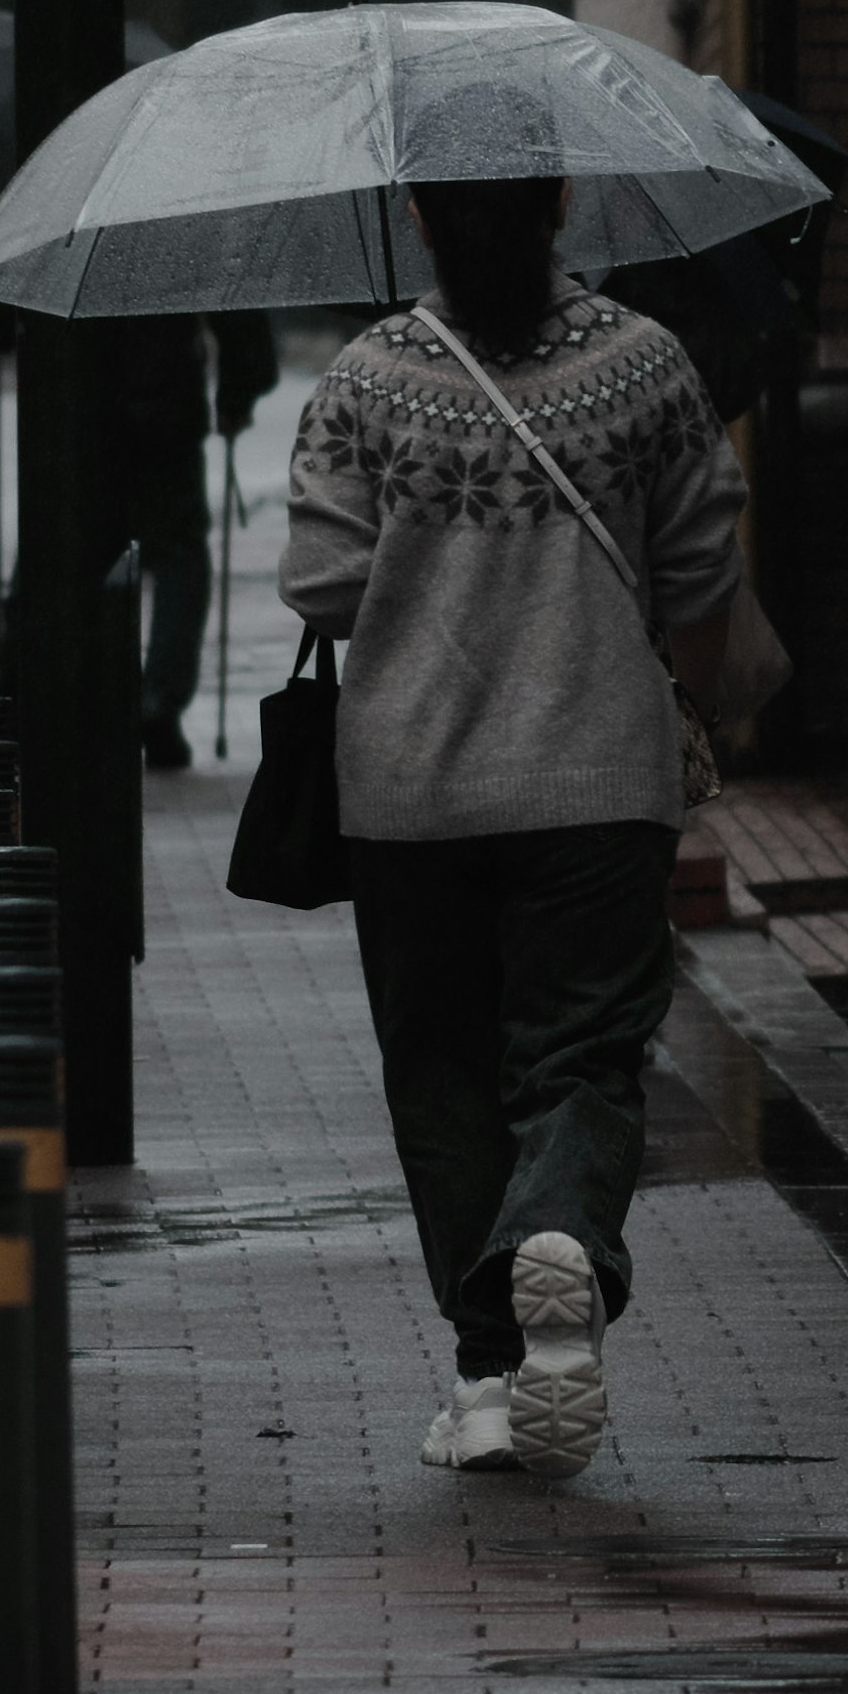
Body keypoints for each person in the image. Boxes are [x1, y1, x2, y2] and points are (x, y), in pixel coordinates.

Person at [276, 174, 748, 1483]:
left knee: (440, 1069)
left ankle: (490, 1378)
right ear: (564, 203)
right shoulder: (648, 368)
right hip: (600, 783)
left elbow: (318, 583)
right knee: (583, 1055)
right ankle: (560, 1241)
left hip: (410, 793)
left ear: (420, 217)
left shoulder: (370, 376)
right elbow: (708, 566)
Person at [119, 306, 278, 767]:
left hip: (77, 406)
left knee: (81, 553)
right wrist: (236, 395)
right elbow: (237, 314)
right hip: (165, 406)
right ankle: (160, 698)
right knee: (178, 557)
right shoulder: (168, 234)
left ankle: (85, 697)